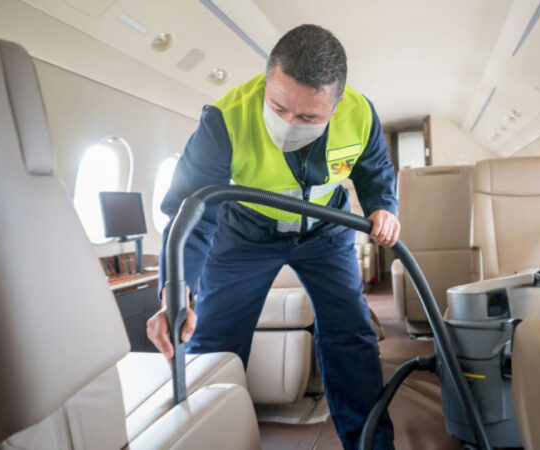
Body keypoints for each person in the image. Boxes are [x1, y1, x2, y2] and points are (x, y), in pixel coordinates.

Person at [147, 24, 398, 449]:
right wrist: (177, 288)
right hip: (244, 234)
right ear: (268, 81)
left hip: (326, 230)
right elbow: (190, 209)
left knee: (350, 334)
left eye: (307, 117)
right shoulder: (225, 118)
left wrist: (384, 206)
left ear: (335, 106)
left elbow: (375, 171)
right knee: (211, 344)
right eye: (278, 107)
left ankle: (371, 443)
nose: (288, 124)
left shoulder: (361, 115)